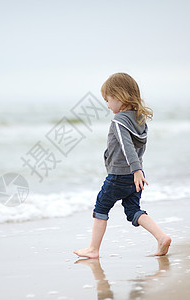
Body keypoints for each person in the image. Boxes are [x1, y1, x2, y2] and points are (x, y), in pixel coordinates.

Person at [74, 73, 171, 259]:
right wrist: (138, 171)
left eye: (108, 100)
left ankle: (93, 249)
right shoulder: (139, 120)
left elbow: (127, 147)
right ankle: (161, 237)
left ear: (119, 97)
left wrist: (135, 169)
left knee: (101, 207)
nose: (108, 105)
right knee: (133, 209)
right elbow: (139, 148)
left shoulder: (118, 121)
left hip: (120, 175)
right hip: (136, 177)